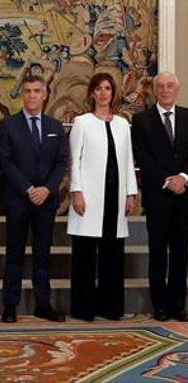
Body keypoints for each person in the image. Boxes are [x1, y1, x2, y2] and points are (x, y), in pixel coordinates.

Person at [68, 72, 138, 322]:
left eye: (107, 88)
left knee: (112, 254)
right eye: (98, 88)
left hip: (115, 197)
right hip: (88, 197)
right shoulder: (82, 122)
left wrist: (131, 193)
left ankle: (110, 307)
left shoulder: (121, 124)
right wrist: (76, 191)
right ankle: (84, 308)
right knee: (85, 256)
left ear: (113, 92)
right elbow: (74, 160)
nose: (103, 93)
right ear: (92, 93)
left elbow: (128, 160)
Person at [0, 75, 67, 323]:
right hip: (17, 199)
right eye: (27, 91)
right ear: (22, 95)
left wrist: (47, 189)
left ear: (45, 94)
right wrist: (28, 188)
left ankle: (42, 304)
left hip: (45, 202)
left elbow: (61, 163)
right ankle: (10, 305)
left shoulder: (55, 127)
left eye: (37, 91)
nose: (32, 95)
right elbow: (5, 161)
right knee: (14, 254)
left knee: (42, 255)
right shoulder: (8, 125)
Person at [131, 72, 188, 321]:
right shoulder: (142, 119)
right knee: (157, 253)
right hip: (158, 196)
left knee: (181, 253)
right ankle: (161, 305)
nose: (165, 90)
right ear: (155, 91)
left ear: (177, 90)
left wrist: (183, 178)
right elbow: (142, 157)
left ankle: (179, 305)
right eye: (161, 87)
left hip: (185, 196)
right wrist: (168, 180)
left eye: (170, 86)